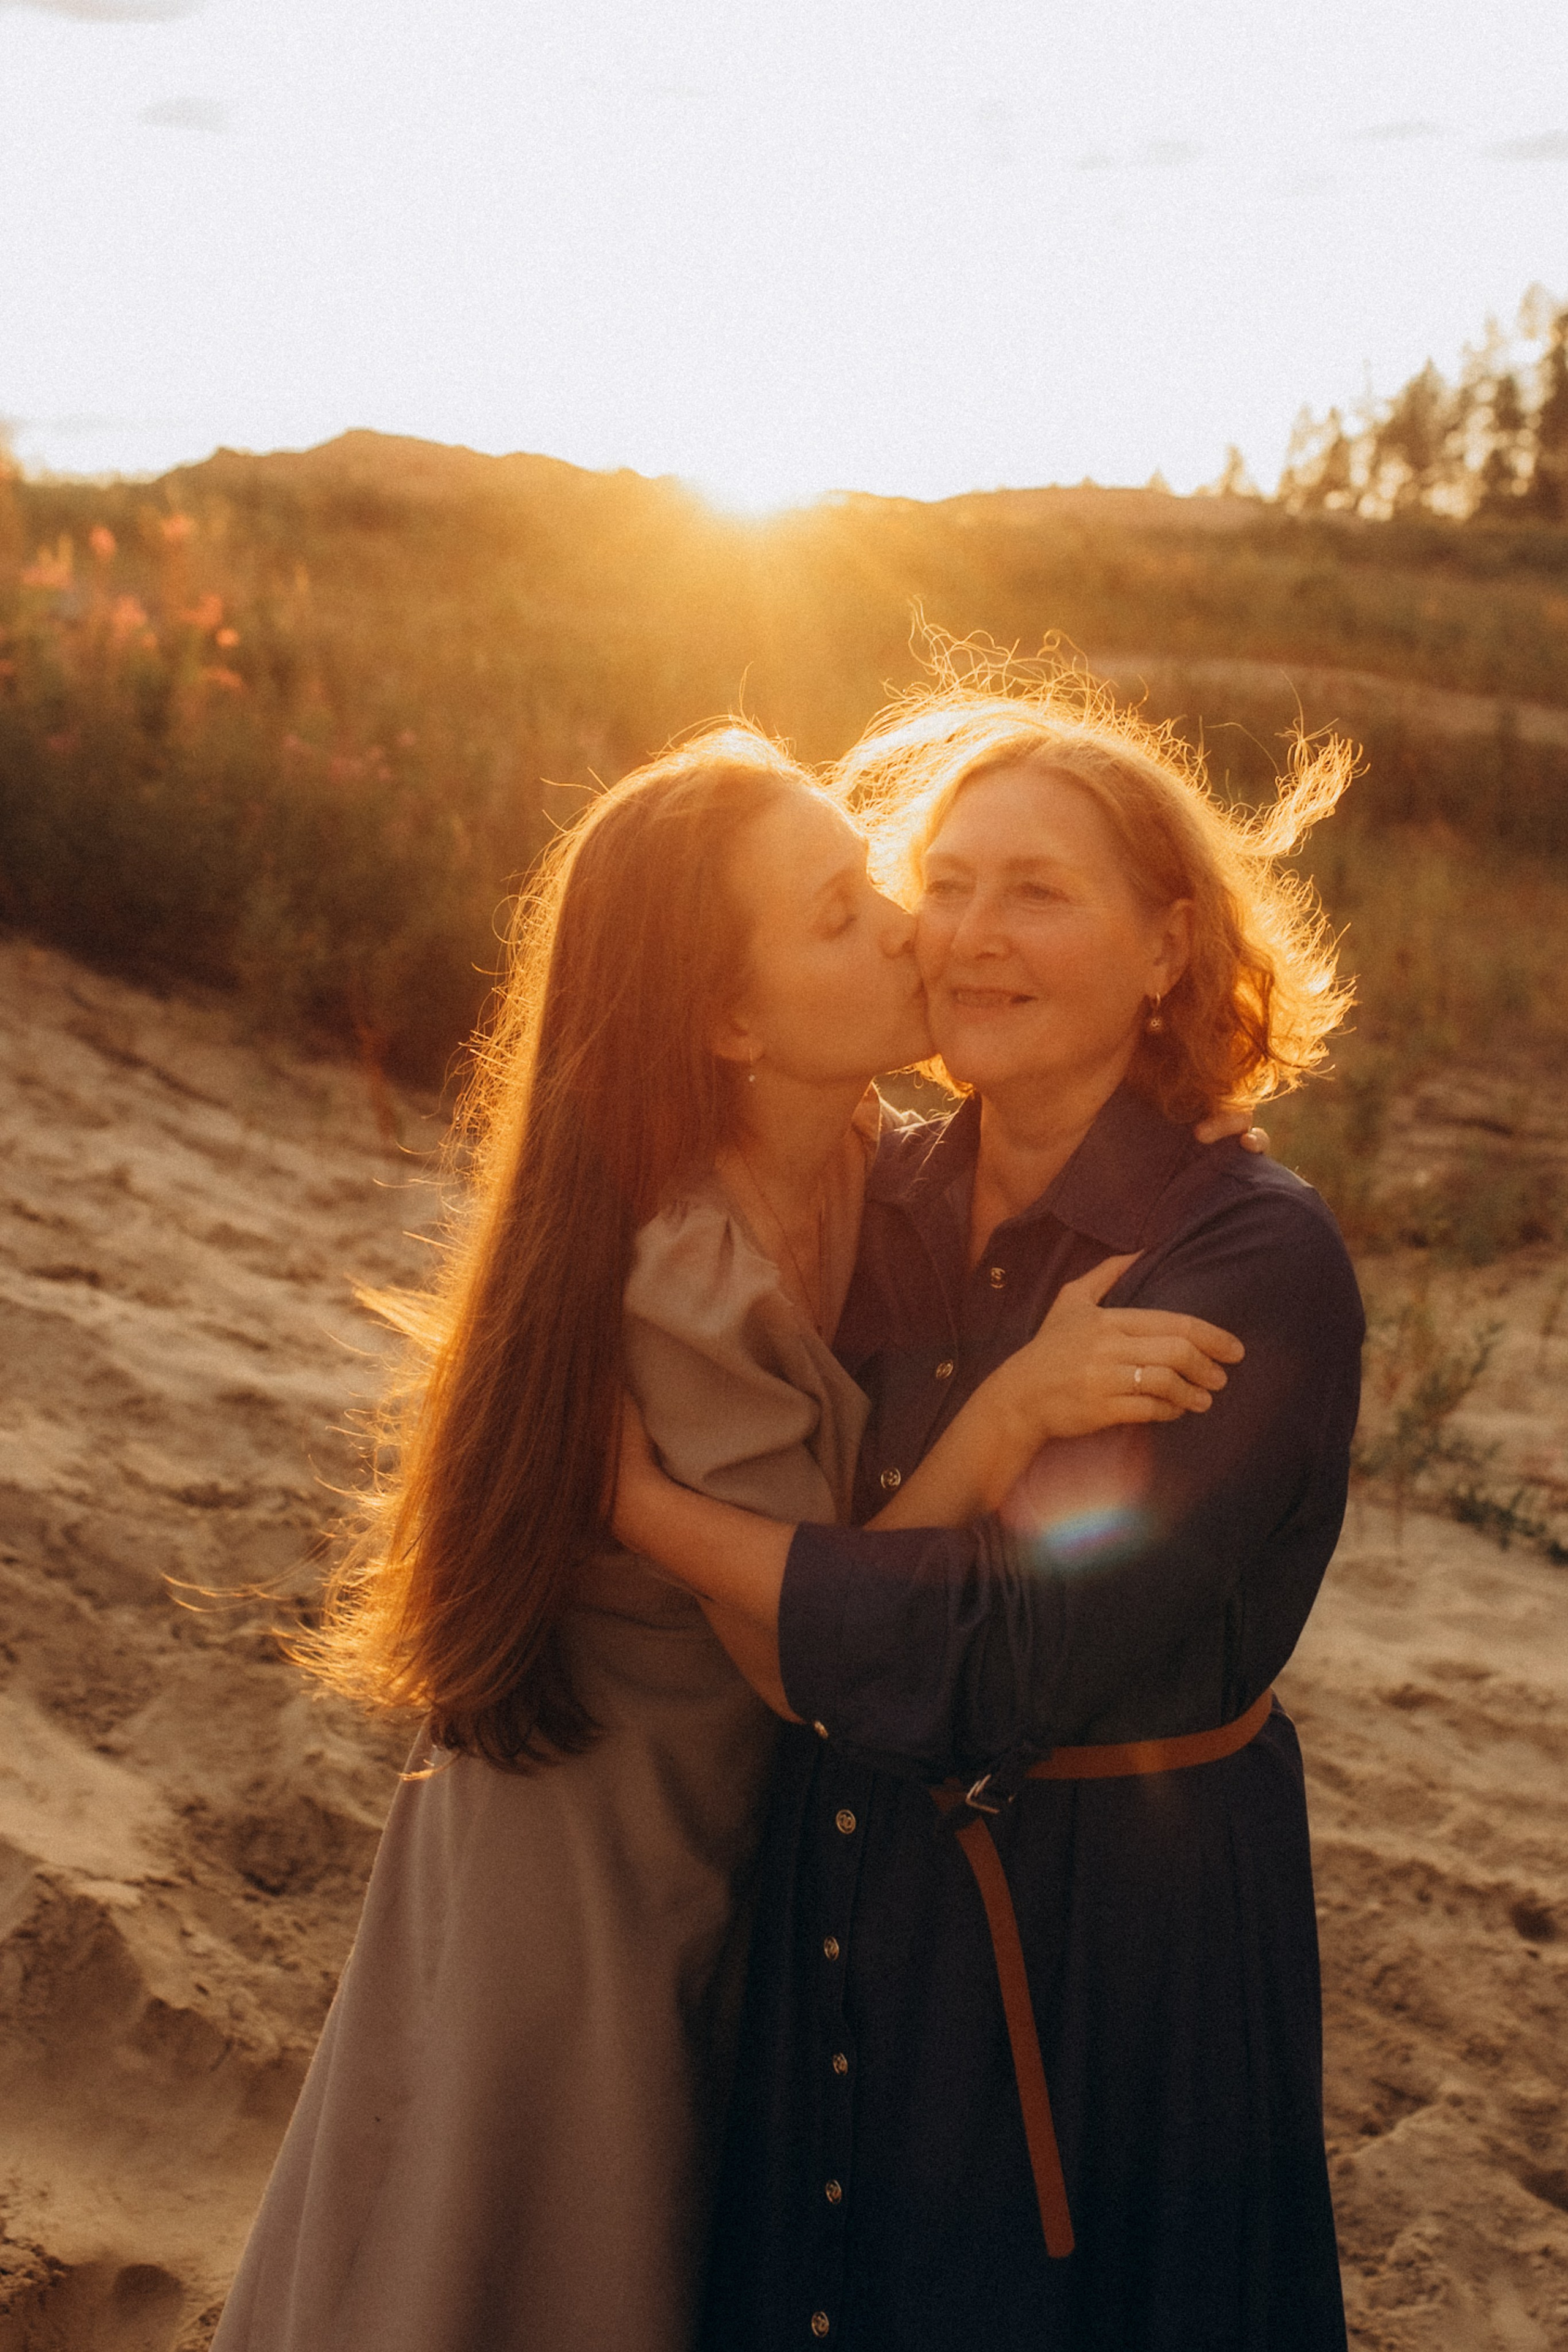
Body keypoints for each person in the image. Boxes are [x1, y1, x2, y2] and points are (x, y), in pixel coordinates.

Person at [212, 726, 1244, 2352]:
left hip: (718, 1835)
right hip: (599, 1857)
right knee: (526, 2251)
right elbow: (796, 1658)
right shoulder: (692, 1268)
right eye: (843, 914)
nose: (909, 928)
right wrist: (1003, 1422)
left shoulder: (856, 1162)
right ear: (732, 1019)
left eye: (873, 881)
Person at [612, 681, 1364, 2351]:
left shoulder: (1248, 1261)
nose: (969, 936)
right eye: (942, 884)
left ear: (1170, 948)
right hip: (837, 1889)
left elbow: (1008, 1651)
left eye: (1038, 891)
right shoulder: (870, 1198)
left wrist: (648, 1515)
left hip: (1120, 1939)